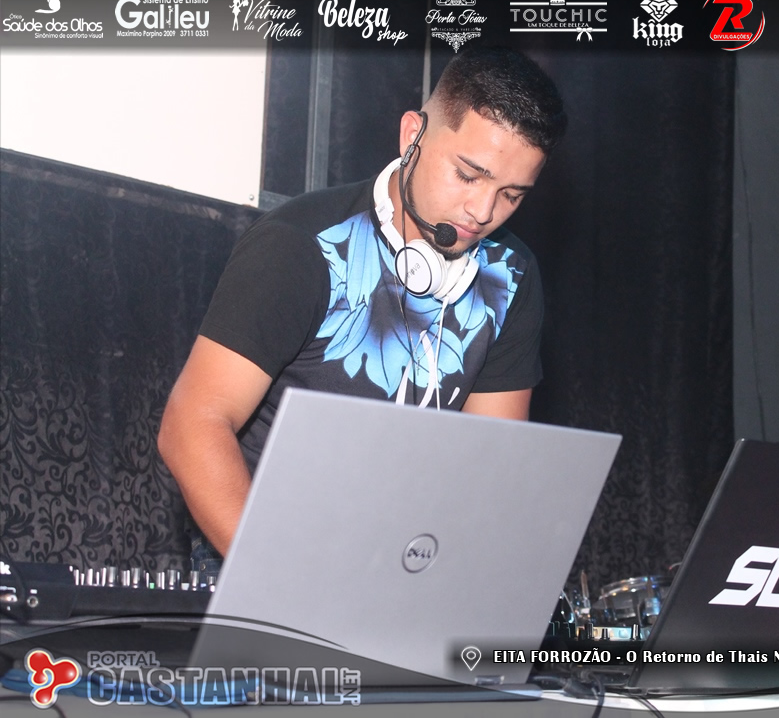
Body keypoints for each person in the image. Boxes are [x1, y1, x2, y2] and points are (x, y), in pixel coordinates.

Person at [157, 46, 567, 571]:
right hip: (264, 549)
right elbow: (192, 424)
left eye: (511, 194)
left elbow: (489, 464)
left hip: (401, 561)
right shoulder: (301, 244)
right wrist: (275, 578)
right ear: (412, 135)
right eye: (468, 175)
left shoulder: (509, 277)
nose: (482, 211)